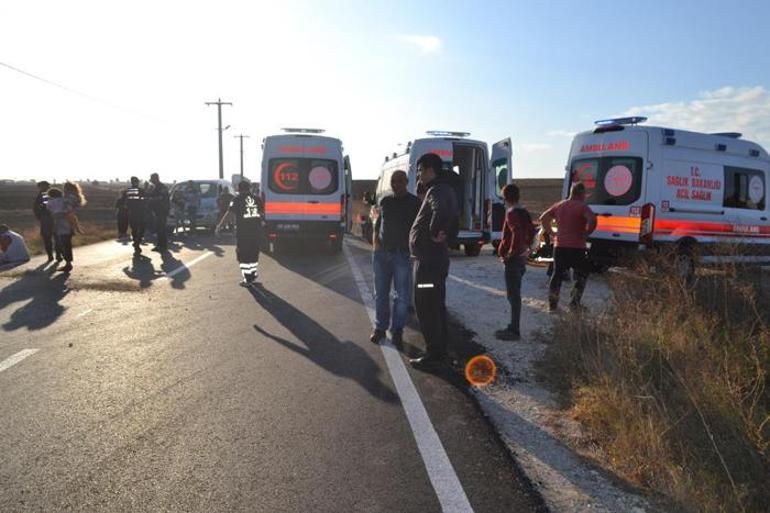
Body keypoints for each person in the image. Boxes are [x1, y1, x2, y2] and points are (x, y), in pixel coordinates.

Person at [408, 153, 459, 369]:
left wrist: (437, 231)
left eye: (420, 170)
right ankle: (439, 351)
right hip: (432, 259)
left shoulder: (437, 190)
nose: (418, 174)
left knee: (426, 304)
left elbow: (441, 212)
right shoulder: (445, 189)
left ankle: (434, 354)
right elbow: (454, 217)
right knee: (435, 305)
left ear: (430, 170)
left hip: (428, 262)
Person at [370, 170, 421, 348]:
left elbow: (420, 228)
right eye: (393, 181)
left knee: (402, 298)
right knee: (380, 295)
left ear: (407, 182)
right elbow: (378, 224)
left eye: (400, 181)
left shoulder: (415, 203)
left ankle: (397, 331)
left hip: (402, 255)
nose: (396, 184)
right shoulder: (385, 201)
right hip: (381, 254)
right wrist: (375, 244)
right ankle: (380, 329)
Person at [540, 182, 597, 312]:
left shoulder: (560, 205)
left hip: (560, 246)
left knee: (557, 274)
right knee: (581, 274)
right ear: (581, 193)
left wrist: (552, 233)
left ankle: (552, 306)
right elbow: (592, 220)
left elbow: (543, 218)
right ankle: (574, 304)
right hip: (577, 246)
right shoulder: (582, 207)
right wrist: (587, 232)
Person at [495, 184, 536, 341]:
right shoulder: (524, 212)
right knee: (515, 293)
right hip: (521, 259)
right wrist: (528, 249)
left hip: (513, 259)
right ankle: (513, 327)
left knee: (513, 296)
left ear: (505, 198)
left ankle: (514, 330)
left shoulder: (511, 213)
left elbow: (516, 233)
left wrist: (511, 253)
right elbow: (531, 232)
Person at [215, 180, 264, 287]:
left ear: (239, 189)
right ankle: (252, 275)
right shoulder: (257, 199)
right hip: (256, 231)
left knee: (242, 255)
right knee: (253, 254)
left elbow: (229, 214)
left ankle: (247, 278)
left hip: (244, 232)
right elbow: (262, 214)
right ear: (249, 188)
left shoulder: (237, 200)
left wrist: (220, 226)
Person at [46, 188, 76, 272]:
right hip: (69, 225)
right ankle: (68, 262)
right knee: (67, 245)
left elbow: (49, 211)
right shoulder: (66, 201)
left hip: (59, 225)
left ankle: (67, 263)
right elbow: (71, 211)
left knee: (62, 245)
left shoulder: (51, 202)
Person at [32, 180, 60, 263]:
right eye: (40, 187)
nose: (41, 188)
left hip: (50, 219)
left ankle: (55, 255)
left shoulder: (45, 194)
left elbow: (44, 207)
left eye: (43, 186)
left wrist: (40, 216)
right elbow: (36, 208)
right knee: (51, 238)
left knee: (52, 238)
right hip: (49, 219)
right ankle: (53, 255)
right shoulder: (50, 194)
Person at [147, 172, 170, 251]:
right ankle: (160, 245)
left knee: (161, 228)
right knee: (158, 228)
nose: (151, 180)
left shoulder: (162, 187)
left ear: (156, 178)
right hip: (157, 211)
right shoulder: (155, 187)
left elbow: (161, 197)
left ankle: (163, 246)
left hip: (162, 210)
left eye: (152, 178)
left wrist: (152, 200)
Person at [125, 176, 147, 255]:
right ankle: (137, 242)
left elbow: (126, 203)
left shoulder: (128, 191)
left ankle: (136, 243)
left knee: (134, 229)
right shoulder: (141, 190)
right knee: (142, 228)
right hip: (140, 213)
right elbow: (145, 201)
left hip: (132, 213)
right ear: (137, 182)